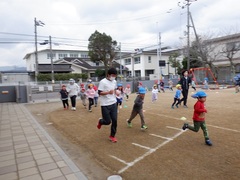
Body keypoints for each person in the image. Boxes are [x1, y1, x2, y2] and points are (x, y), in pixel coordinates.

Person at [97, 68, 118, 143]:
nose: (113, 77)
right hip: (105, 104)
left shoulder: (114, 81)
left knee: (115, 120)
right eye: (112, 75)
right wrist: (108, 92)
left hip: (113, 103)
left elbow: (114, 90)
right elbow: (99, 93)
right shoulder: (102, 82)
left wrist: (116, 93)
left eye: (115, 75)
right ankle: (101, 121)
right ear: (108, 74)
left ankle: (112, 136)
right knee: (107, 121)